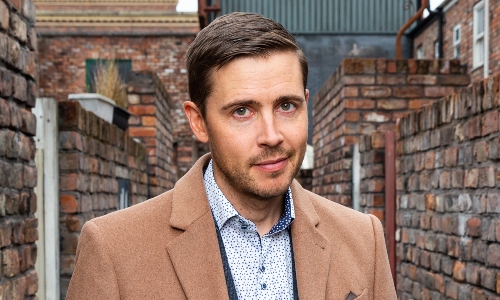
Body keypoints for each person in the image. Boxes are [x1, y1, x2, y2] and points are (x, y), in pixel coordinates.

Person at [67, 12, 397, 300]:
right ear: (198, 121)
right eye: (242, 111)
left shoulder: (362, 238)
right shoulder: (113, 248)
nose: (271, 135)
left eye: (286, 106)